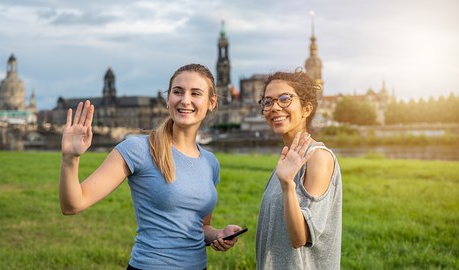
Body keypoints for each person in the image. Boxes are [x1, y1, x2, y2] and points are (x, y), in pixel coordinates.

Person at [59, 63, 242, 270]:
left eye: (195, 93)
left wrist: (218, 234)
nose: (185, 100)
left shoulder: (210, 163)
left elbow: (200, 228)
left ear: (211, 102)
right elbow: (72, 205)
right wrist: (70, 159)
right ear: (168, 99)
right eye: (178, 92)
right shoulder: (137, 149)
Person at [255, 69, 342, 269]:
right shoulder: (288, 160)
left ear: (306, 109)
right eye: (267, 102)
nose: (274, 107)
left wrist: (287, 184)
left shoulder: (318, 157)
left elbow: (299, 237)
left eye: (284, 99)